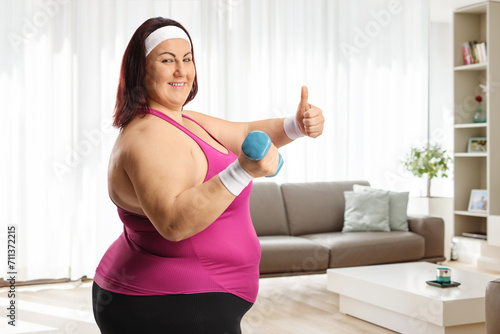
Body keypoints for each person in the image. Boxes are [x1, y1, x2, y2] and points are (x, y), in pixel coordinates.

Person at [92, 17, 324, 334]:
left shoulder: (183, 120)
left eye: (187, 59)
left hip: (192, 299)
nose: (181, 71)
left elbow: (243, 132)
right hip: (165, 303)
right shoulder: (147, 136)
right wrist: (242, 171)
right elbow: (174, 223)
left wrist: (296, 126)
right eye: (167, 60)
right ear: (141, 70)